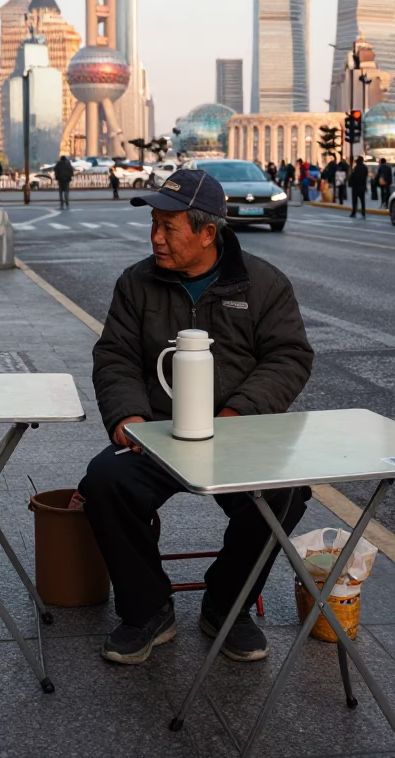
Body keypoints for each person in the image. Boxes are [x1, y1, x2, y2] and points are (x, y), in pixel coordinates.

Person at [79, 169, 315, 666]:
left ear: (208, 233)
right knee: (105, 481)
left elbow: (289, 357)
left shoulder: (264, 284)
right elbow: (115, 356)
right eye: (154, 225)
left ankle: (227, 604)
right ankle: (147, 610)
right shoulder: (136, 283)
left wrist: (237, 413)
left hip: (237, 433)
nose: (156, 237)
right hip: (158, 433)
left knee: (287, 493)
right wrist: (129, 416)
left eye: (169, 226)